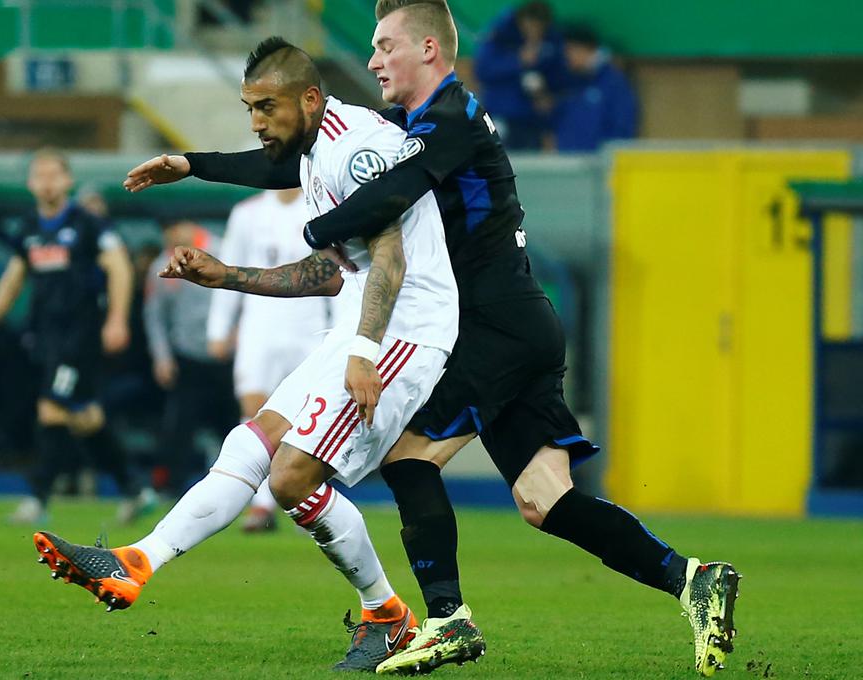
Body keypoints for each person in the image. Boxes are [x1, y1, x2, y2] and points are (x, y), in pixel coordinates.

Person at [124, 2, 740, 676]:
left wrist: (312, 234)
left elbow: (390, 195)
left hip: (490, 323)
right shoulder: (413, 125)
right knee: (545, 500)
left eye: (385, 46)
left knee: (406, 456)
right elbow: (293, 165)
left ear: (426, 48)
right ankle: (694, 579)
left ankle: (445, 619)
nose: (372, 60)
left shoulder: (452, 119)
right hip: (517, 321)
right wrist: (194, 163)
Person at [33, 37, 459, 672]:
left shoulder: (358, 150)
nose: (256, 123)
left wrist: (366, 352)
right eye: (248, 108)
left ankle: (389, 617)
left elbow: (390, 257)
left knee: (292, 477)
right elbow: (330, 271)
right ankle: (137, 562)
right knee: (250, 441)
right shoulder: (317, 151)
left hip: (406, 326)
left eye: (266, 108)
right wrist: (226, 271)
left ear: (309, 99)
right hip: (363, 318)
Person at [0, 147, 147, 526]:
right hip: (48, 335)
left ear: (67, 180)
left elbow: (119, 267)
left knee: (51, 407)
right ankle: (134, 488)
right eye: (40, 176)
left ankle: (38, 497)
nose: (47, 182)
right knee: (86, 418)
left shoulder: (87, 223)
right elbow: (15, 274)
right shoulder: (31, 227)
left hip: (80, 335)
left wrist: (117, 319)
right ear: (30, 183)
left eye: (54, 175)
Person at [206, 188, 333, 531]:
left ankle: (303, 496)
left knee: (310, 413)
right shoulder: (247, 213)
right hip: (259, 323)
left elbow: (339, 269)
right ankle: (262, 505)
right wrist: (219, 328)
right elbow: (227, 268)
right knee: (256, 408)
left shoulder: (319, 203)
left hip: (309, 323)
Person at [143, 218, 239, 493]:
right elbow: (155, 316)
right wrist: (161, 356)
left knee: (236, 424)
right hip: (188, 355)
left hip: (227, 356)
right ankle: (171, 487)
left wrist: (237, 332)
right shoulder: (162, 265)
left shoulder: (223, 250)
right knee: (180, 425)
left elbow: (246, 295)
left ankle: (251, 488)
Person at [473, 1, 564, 151]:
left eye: (538, 29)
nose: (533, 32)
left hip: (534, 120)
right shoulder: (499, 36)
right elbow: (483, 70)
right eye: (529, 27)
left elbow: (559, 76)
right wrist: (517, 61)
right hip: (501, 112)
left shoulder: (552, 42)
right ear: (521, 21)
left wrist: (546, 94)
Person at [553, 24, 638, 152]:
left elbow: (622, 129)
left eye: (569, 50)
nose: (565, 56)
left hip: (598, 165)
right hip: (568, 163)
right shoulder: (570, 82)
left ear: (584, 49)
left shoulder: (614, 83)